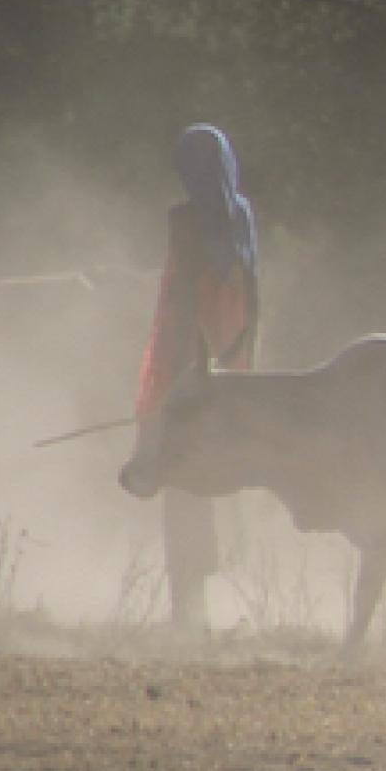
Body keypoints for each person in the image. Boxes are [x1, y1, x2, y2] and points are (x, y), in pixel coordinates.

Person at [136, 124, 264, 635]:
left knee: (177, 480)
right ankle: (219, 601)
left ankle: (187, 609)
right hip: (233, 373)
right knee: (218, 480)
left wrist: (169, 383)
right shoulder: (242, 216)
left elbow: (183, 304)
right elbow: (247, 297)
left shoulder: (184, 219)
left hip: (188, 372)